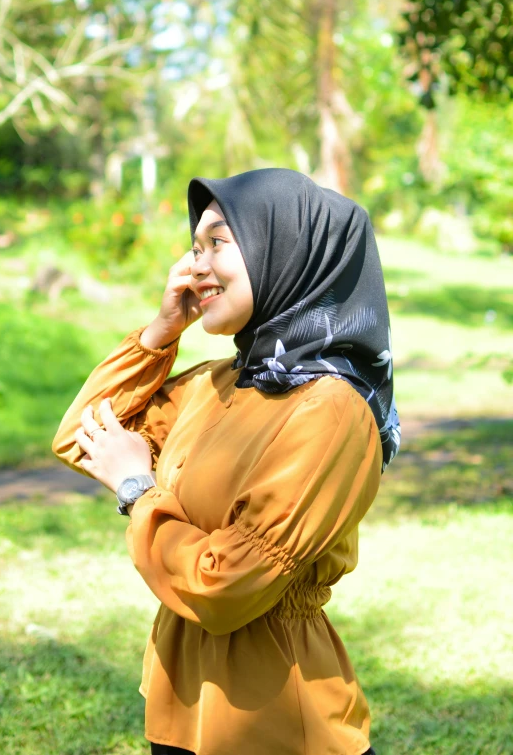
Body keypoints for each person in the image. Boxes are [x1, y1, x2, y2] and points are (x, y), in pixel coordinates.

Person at [52, 168, 400, 755]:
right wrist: (161, 333)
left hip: (275, 723)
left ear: (286, 250)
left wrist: (140, 491)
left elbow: (227, 586)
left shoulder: (332, 409)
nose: (194, 267)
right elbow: (81, 434)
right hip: (181, 710)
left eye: (219, 243)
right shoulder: (222, 382)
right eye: (193, 247)